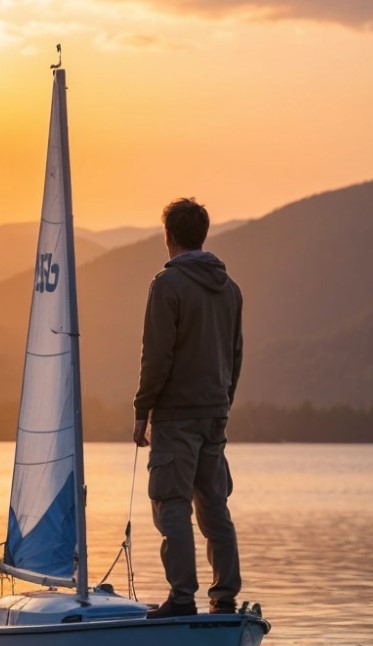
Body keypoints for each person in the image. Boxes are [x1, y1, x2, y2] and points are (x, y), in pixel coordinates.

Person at [133, 197, 243, 619]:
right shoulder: (230, 289)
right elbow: (236, 355)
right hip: (215, 412)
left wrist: (143, 411)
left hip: (176, 415)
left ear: (169, 237)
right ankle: (226, 597)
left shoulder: (167, 285)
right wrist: (222, 404)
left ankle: (182, 599)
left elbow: (156, 355)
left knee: (171, 503)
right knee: (214, 505)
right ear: (203, 234)